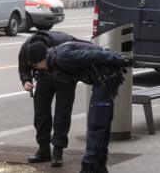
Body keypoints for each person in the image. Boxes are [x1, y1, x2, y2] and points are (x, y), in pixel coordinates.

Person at [25, 41, 132, 173]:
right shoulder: (58, 54)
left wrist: (119, 59)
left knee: (96, 124)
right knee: (101, 124)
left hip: (106, 78)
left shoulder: (61, 58)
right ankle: (99, 165)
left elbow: (93, 55)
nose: (38, 69)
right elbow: (90, 50)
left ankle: (89, 166)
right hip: (106, 78)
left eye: (36, 65)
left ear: (42, 59)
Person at [19, 31, 86, 167]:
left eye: (38, 63)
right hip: (43, 77)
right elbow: (23, 67)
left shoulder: (64, 41)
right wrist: (26, 80)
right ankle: (44, 149)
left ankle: (58, 152)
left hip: (65, 76)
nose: (35, 65)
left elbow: (83, 51)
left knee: (62, 114)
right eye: (33, 64)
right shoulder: (26, 49)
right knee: (40, 113)